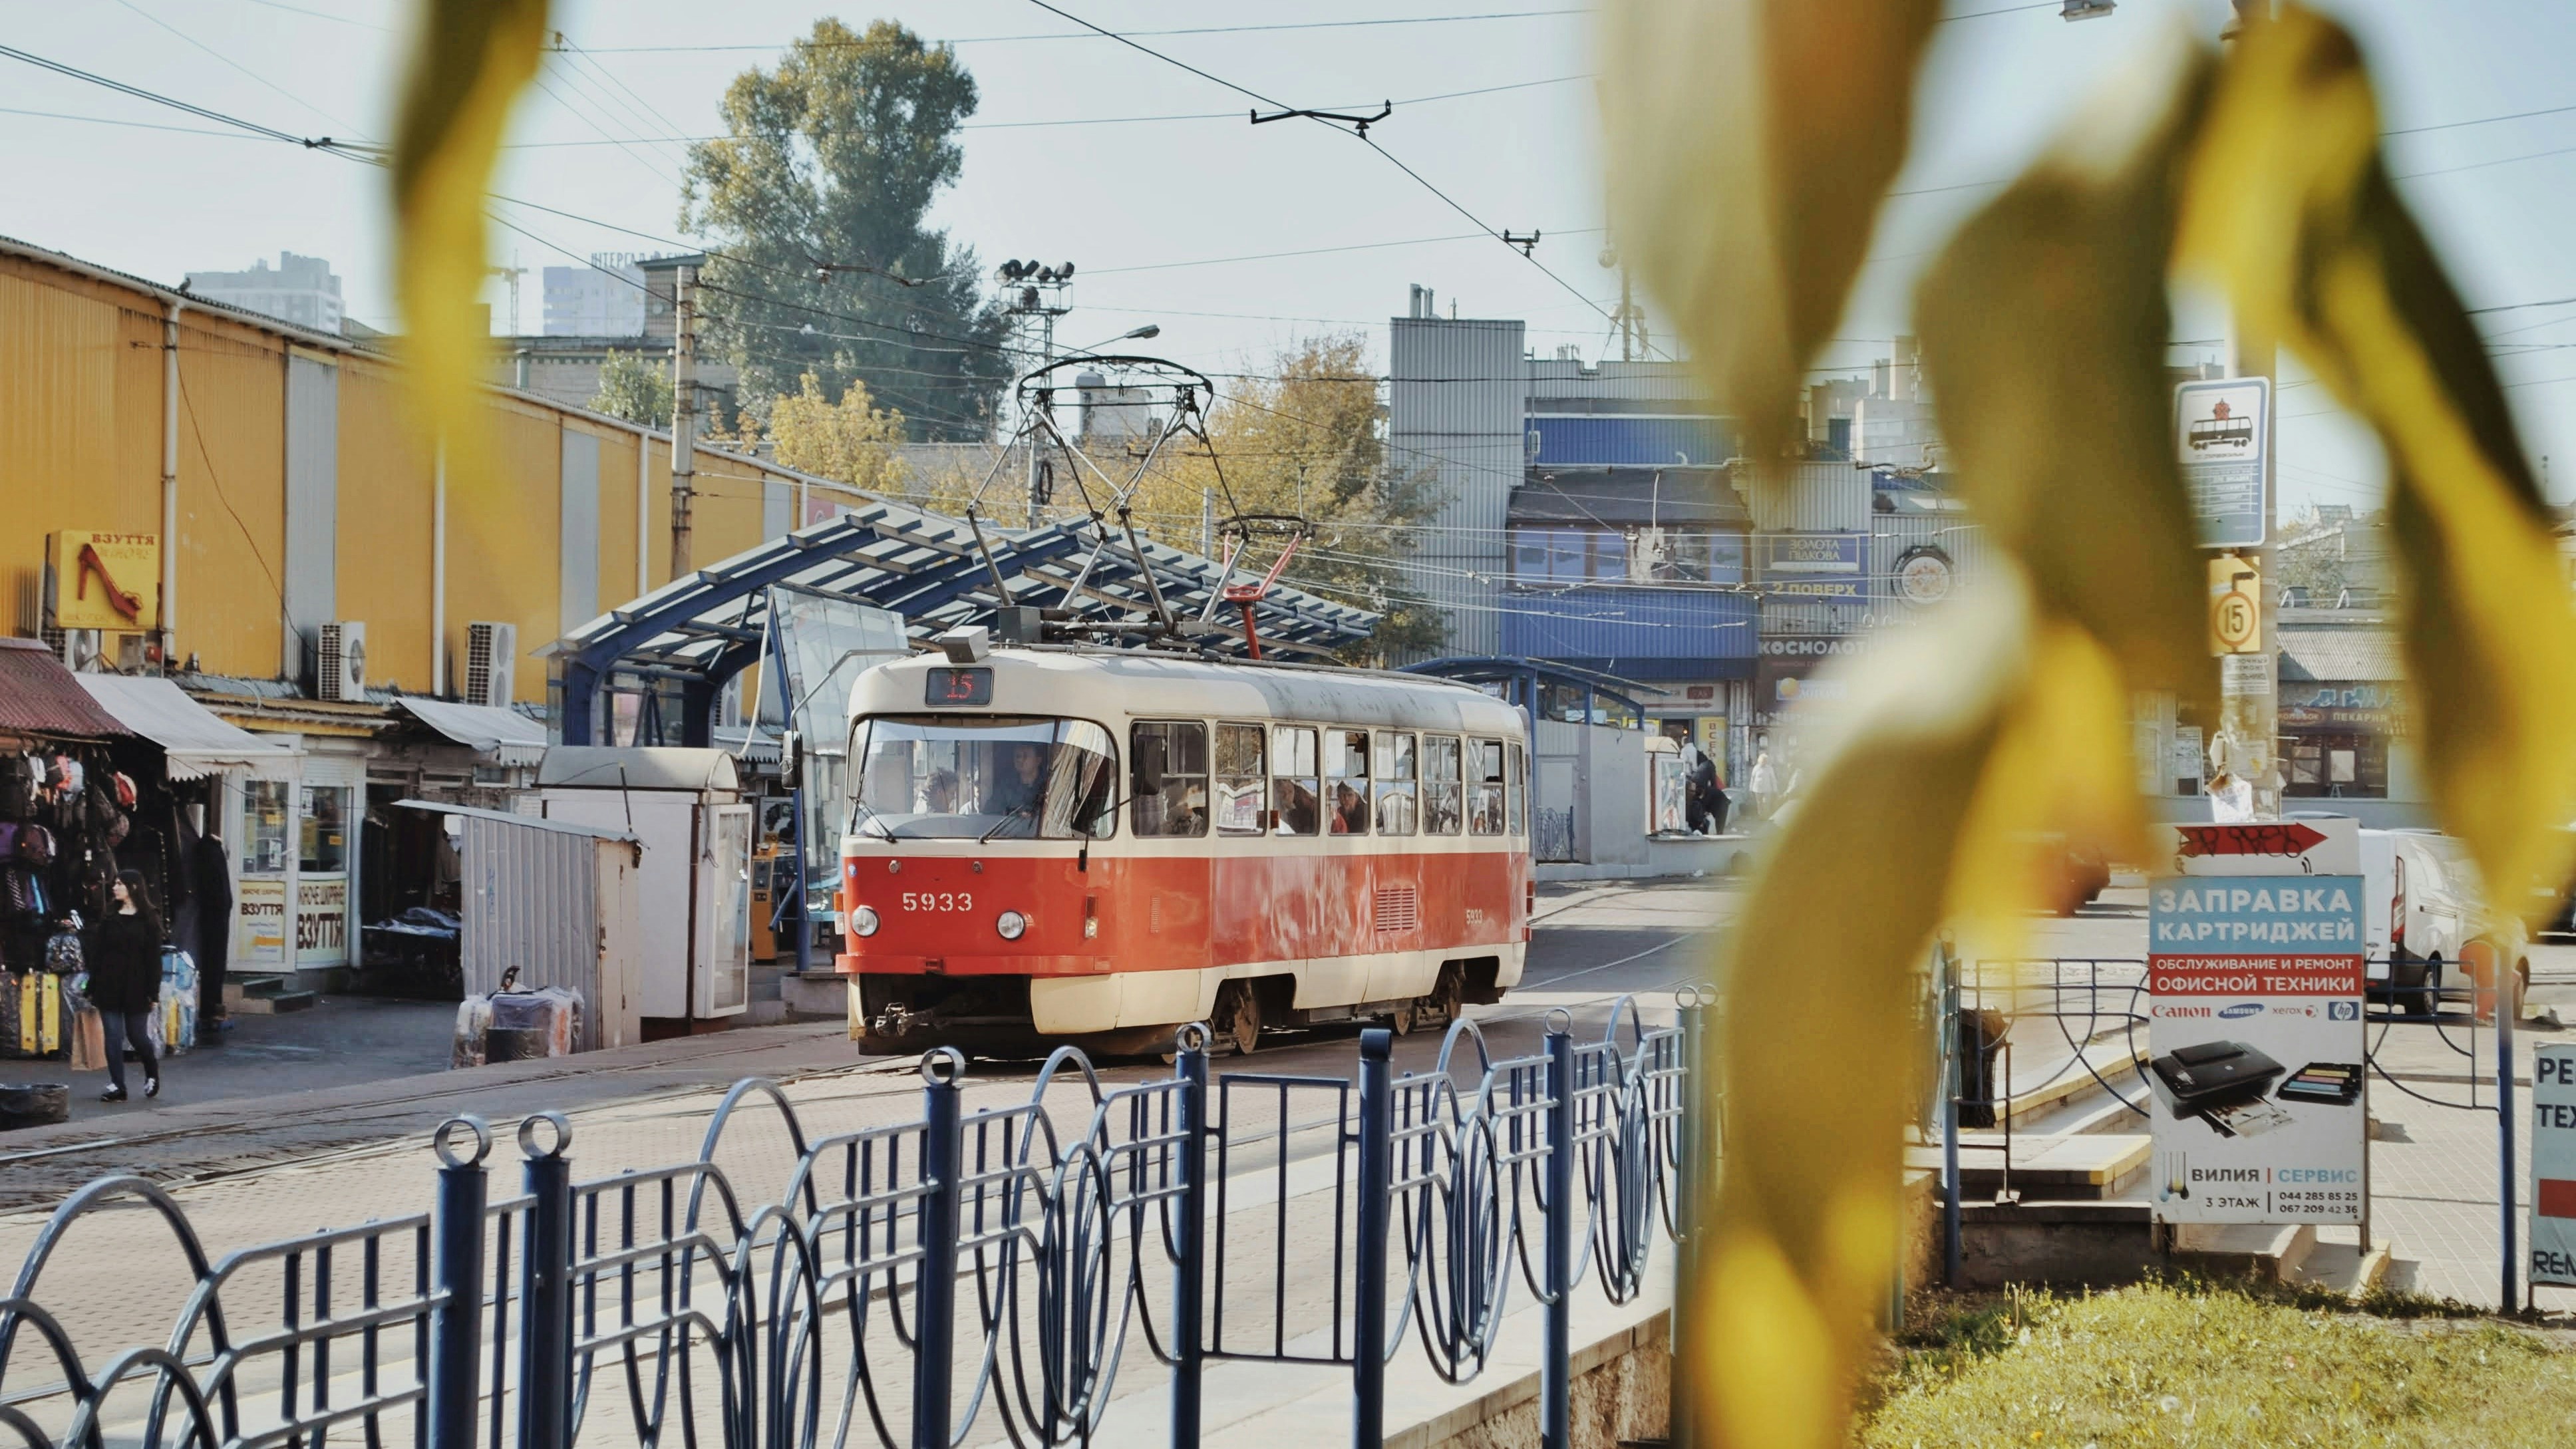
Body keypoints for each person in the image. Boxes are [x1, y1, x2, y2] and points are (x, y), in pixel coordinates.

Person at [88, 870, 164, 1103]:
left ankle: (152, 1073)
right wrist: (92, 983)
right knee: (112, 1035)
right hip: (109, 982)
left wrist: (153, 990)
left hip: (137, 984)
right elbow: (98, 952)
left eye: (120, 884)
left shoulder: (149, 918)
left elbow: (153, 958)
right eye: (115, 883)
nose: (114, 887)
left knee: (137, 1035)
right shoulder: (110, 915)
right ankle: (117, 1085)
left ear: (133, 887)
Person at [985, 742, 1046, 820]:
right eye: (1018, 756)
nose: (1020, 759)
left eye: (1025, 755)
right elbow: (989, 812)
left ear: (1038, 760)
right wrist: (1013, 813)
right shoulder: (1005, 786)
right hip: (1007, 831)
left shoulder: (1047, 786)